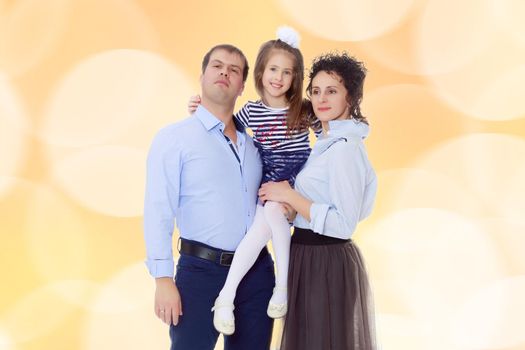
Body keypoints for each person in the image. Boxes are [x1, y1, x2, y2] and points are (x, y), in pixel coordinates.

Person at [188, 27, 320, 335]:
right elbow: (222, 124)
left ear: (295, 78)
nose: (278, 77)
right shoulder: (251, 111)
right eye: (273, 69)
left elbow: (329, 130)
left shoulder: (302, 110)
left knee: (273, 214)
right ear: (260, 72)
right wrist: (199, 108)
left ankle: (281, 287)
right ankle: (226, 298)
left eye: (287, 72)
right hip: (267, 190)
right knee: (254, 236)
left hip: (297, 189)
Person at [144, 44, 275, 350]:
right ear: (202, 76)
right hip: (200, 273)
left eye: (234, 70)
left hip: (256, 273)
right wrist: (162, 278)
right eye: (217, 66)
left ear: (242, 85)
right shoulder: (175, 138)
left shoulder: (255, 144)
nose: (224, 73)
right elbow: (157, 208)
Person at [258, 52, 378, 350]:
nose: (321, 99)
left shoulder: (344, 149)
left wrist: (289, 195)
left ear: (350, 98)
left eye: (332, 91)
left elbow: (344, 224)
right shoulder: (327, 142)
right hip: (308, 256)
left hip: (324, 262)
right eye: (315, 91)